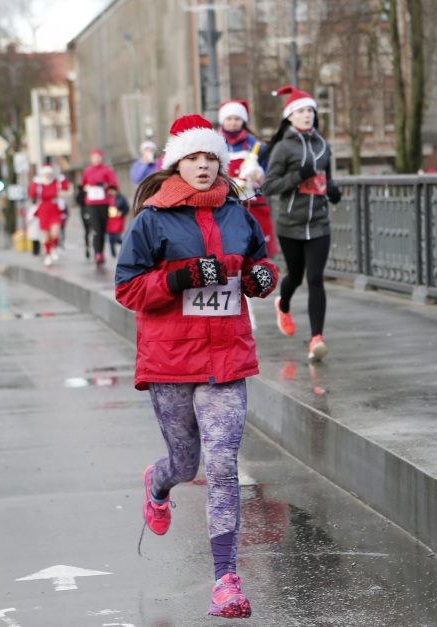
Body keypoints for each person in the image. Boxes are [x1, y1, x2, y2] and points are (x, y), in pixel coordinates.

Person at [114, 114, 277, 619]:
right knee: (187, 464)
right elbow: (128, 289)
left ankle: (226, 581)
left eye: (211, 158)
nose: (204, 166)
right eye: (194, 158)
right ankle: (158, 484)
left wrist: (261, 278)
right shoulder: (152, 219)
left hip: (226, 354)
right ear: (176, 163)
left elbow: (256, 263)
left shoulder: (238, 213)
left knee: (224, 464)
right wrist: (184, 275)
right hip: (170, 359)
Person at [263, 85, 341, 361]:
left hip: (319, 223)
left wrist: (333, 191)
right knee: (295, 277)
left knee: (315, 278)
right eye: (300, 111)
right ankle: (282, 305)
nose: (306, 115)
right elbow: (269, 186)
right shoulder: (283, 148)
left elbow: (327, 179)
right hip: (291, 224)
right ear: (290, 117)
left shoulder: (323, 146)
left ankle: (316, 339)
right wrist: (298, 176)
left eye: (310, 110)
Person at [218, 99, 276, 256]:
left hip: (252, 202)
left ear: (243, 120)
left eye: (237, 119)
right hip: (224, 202)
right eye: (229, 119)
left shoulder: (256, 145)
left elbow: (268, 174)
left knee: (256, 246)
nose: (233, 123)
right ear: (222, 120)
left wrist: (257, 175)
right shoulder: (214, 143)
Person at [80, 148, 119, 267]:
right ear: (91, 158)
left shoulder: (107, 170)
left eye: (98, 157)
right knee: (96, 229)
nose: (96, 159)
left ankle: (101, 252)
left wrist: (106, 186)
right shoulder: (87, 171)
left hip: (104, 203)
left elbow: (114, 187)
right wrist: (86, 188)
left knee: (102, 230)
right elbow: (83, 185)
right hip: (91, 204)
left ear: (101, 158)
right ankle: (97, 253)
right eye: (94, 157)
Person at [27, 164, 70, 266]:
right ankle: (47, 254)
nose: (47, 176)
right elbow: (32, 194)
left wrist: (63, 179)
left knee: (55, 232)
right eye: (45, 174)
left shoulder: (55, 183)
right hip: (43, 209)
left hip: (54, 209)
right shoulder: (39, 184)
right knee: (46, 236)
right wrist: (34, 183)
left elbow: (66, 187)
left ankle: (54, 248)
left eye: (49, 174)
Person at [104, 184, 130, 257]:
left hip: (118, 220)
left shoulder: (121, 198)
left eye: (112, 191)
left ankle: (126, 246)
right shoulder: (106, 198)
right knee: (110, 237)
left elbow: (126, 208)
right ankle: (113, 253)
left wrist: (121, 213)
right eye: (109, 191)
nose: (110, 192)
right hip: (109, 220)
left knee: (116, 237)